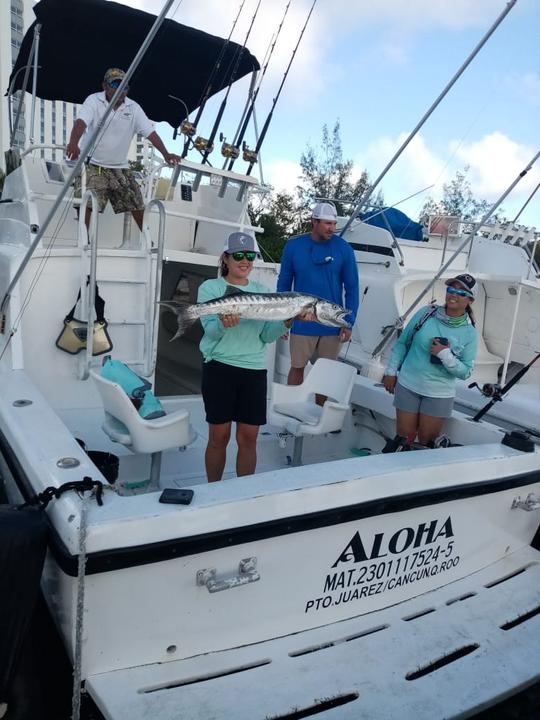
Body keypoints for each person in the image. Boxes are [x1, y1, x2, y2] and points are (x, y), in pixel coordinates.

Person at [199, 232, 303, 482]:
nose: (245, 261)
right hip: (219, 369)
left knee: (249, 438)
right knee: (218, 437)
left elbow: (267, 336)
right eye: (238, 255)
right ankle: (213, 490)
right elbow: (211, 332)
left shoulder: (263, 292)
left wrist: (287, 321)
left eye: (250, 255)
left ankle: (244, 492)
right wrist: (225, 324)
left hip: (254, 371)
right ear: (226, 257)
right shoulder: (210, 288)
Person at [66, 68, 181, 231]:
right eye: (115, 84)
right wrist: (73, 143)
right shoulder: (94, 100)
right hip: (92, 165)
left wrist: (166, 154)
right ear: (104, 86)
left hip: (119, 166)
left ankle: (148, 243)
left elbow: (151, 133)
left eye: (124, 86)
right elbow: (81, 122)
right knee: (88, 201)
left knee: (136, 201)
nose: (120, 89)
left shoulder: (133, 108)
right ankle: (84, 243)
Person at [382, 274, 479, 449]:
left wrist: (446, 356)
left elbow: (466, 372)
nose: (454, 295)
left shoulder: (470, 333)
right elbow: (402, 343)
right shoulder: (426, 313)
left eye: (461, 293)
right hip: (408, 385)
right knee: (404, 439)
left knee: (426, 444)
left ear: (470, 300)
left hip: (439, 394)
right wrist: (390, 372)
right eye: (451, 289)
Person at [277, 202, 359, 403]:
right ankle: (291, 407)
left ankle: (320, 412)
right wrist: (284, 318)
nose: (332, 228)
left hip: (331, 323)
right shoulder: (294, 246)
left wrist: (349, 321)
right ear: (314, 221)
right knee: (297, 366)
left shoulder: (344, 249)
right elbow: (284, 283)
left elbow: (352, 287)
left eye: (333, 224)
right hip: (301, 320)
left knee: (326, 373)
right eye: (327, 224)